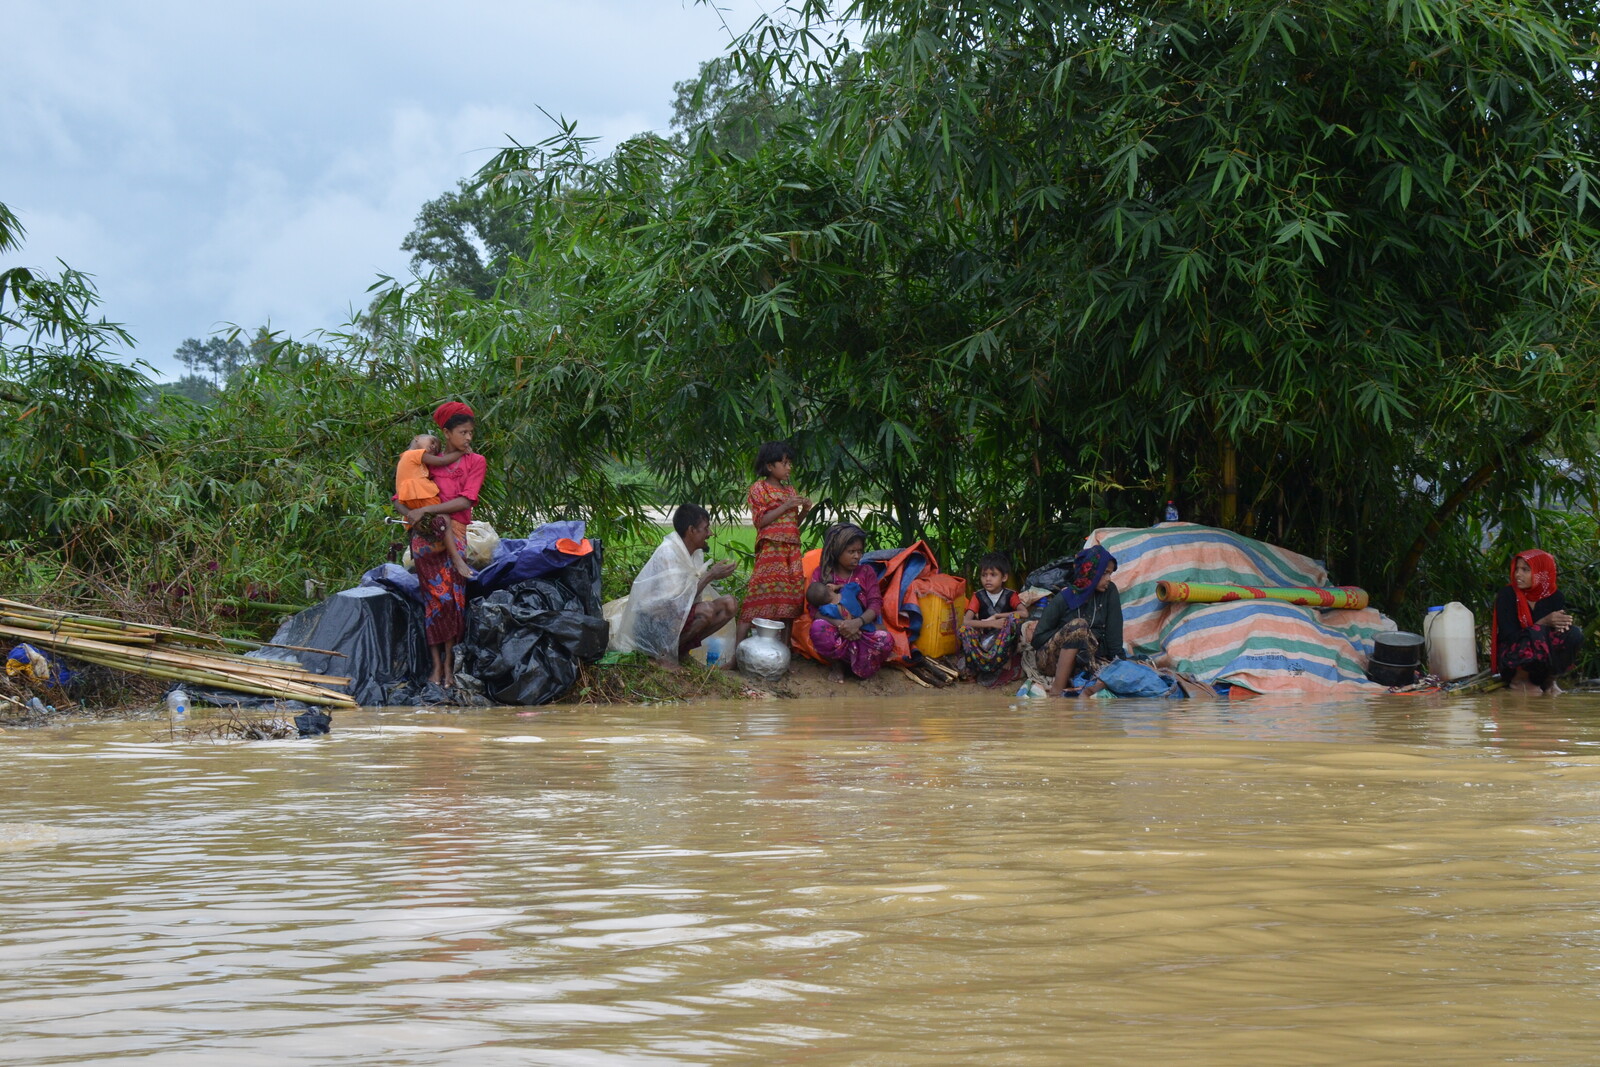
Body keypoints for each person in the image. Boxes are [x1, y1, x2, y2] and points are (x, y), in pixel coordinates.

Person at [395, 402, 487, 689]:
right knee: (433, 601)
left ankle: (449, 665)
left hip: (453, 533)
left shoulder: (475, 462)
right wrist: (410, 511)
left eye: (471, 432)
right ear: (446, 433)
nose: (469, 438)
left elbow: (466, 501)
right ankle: (436, 666)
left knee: (452, 601)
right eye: (463, 432)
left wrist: (427, 511)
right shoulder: (425, 461)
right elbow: (400, 497)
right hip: (424, 537)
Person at [613, 504, 738, 670]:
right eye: (706, 529)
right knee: (706, 611)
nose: (710, 534)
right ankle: (663, 655)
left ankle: (680, 651)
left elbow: (686, 600)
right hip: (653, 623)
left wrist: (709, 577)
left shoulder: (695, 552)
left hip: (677, 615)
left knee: (730, 604)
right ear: (691, 530)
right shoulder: (668, 553)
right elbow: (673, 602)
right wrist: (710, 575)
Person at [735, 442, 812, 652]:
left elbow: (793, 524)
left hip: (791, 551)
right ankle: (736, 655)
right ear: (770, 466)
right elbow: (761, 521)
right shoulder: (759, 489)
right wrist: (787, 506)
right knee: (755, 600)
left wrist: (804, 510)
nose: (789, 468)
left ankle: (784, 653)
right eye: (785, 463)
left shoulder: (790, 490)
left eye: (790, 464)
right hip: (771, 550)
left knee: (790, 604)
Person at [1023, 545, 1124, 697]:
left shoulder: (1110, 592)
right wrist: (1068, 634)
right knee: (1078, 626)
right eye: (1104, 573)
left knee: (1116, 674)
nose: (1108, 579)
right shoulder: (1065, 597)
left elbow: (1114, 636)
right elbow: (1037, 639)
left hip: (1086, 659)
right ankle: (1056, 693)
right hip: (1051, 661)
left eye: (1110, 573)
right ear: (1091, 573)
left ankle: (1079, 688)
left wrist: (1120, 664)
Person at [808, 523, 895, 682]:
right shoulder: (821, 574)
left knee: (886, 640)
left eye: (860, 551)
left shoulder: (866, 572)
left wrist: (857, 623)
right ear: (837, 551)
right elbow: (814, 612)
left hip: (862, 631)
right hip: (836, 632)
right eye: (851, 552)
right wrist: (841, 625)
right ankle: (837, 665)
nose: (857, 556)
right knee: (817, 628)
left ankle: (861, 668)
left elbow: (875, 604)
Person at [1492, 548, 1583, 695]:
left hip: (1543, 663)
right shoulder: (1507, 595)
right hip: (1512, 660)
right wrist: (1543, 622)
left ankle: (1550, 680)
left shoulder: (1555, 596)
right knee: (1538, 632)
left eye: (1525, 570)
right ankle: (1520, 681)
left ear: (1541, 574)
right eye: (1517, 569)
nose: (1517, 575)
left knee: (1573, 633)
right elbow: (1509, 636)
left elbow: (1554, 635)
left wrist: (1562, 626)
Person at [394, 433, 473, 580]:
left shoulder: (409, 461)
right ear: (416, 438)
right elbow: (442, 461)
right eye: (432, 442)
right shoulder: (415, 454)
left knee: (433, 523)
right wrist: (461, 451)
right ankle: (456, 557)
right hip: (421, 497)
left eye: (436, 448)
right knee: (445, 519)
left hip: (410, 500)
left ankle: (429, 533)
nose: (434, 447)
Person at [959, 551, 1026, 682]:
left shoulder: (1010, 595)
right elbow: (965, 621)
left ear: (1004, 577)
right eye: (984, 575)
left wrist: (997, 616)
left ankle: (1007, 658)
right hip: (985, 639)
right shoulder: (977, 596)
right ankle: (972, 668)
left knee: (1014, 620)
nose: (987, 579)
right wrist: (991, 624)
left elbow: (1024, 613)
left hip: (1004, 641)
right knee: (964, 630)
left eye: (993, 575)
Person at [806, 580, 878, 631]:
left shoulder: (824, 610)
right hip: (866, 626)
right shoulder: (848, 591)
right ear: (829, 588)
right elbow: (856, 585)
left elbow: (816, 614)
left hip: (848, 633)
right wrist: (838, 586)